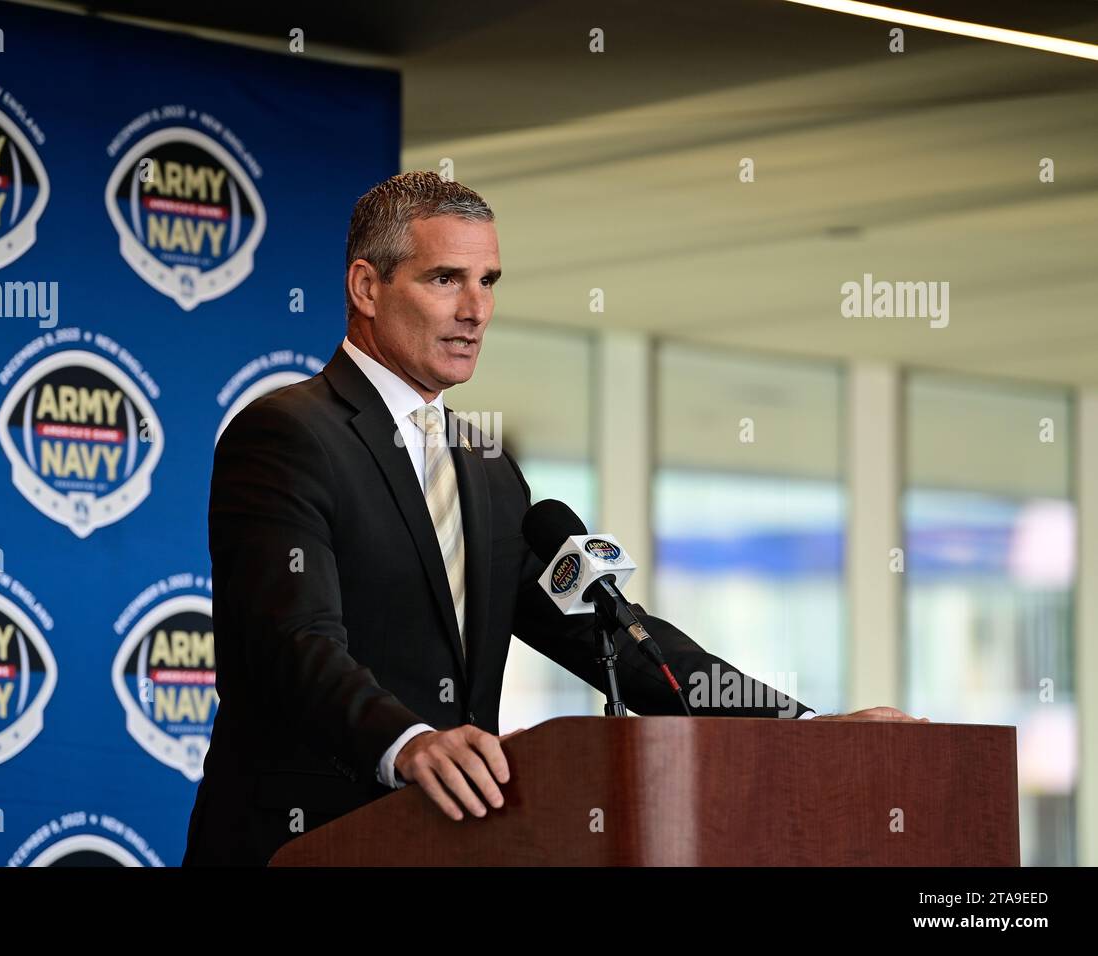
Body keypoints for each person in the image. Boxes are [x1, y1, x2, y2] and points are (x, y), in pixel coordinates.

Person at [182, 171, 924, 866]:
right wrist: (409, 742)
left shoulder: (485, 463)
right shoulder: (287, 434)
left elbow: (614, 637)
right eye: (446, 279)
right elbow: (290, 645)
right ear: (366, 287)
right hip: (301, 841)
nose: (476, 310)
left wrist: (798, 731)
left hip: (447, 846)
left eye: (488, 282)